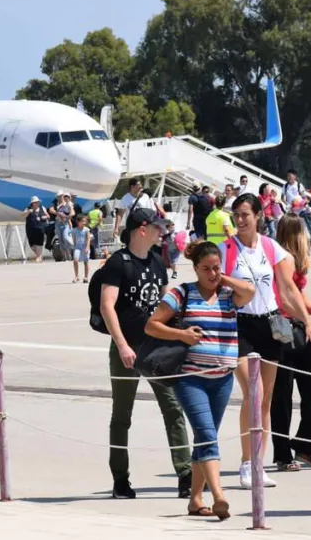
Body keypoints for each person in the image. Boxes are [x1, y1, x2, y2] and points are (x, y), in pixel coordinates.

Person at [144, 240, 255, 519]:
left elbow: (250, 291)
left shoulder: (229, 295)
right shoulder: (183, 293)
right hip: (191, 378)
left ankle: (195, 500)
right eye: (205, 269)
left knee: (205, 439)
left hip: (222, 379)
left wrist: (223, 278)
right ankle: (219, 496)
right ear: (195, 270)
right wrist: (182, 335)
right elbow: (152, 325)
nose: (211, 274)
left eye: (216, 268)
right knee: (206, 435)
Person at [219, 194, 311, 490]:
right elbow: (214, 284)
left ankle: (259, 464)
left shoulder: (270, 247)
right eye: (236, 214)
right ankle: (247, 463)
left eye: (246, 214)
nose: (240, 219)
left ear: (259, 215)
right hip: (241, 326)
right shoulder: (226, 249)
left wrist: (307, 321)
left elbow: (287, 289)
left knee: (266, 400)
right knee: (253, 393)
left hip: (270, 323)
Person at [99, 207, 192, 500]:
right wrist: (123, 345)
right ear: (142, 229)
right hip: (126, 347)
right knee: (122, 415)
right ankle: (120, 479)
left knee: (173, 408)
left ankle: (185, 474)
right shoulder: (118, 262)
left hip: (155, 348)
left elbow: (166, 301)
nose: (161, 232)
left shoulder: (155, 260)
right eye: (156, 227)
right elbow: (107, 306)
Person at [270, 214, 311, 471]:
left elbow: (299, 294)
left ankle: (304, 443)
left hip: (293, 323)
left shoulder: (294, 260)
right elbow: (284, 298)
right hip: (279, 324)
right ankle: (283, 452)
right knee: (282, 392)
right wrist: (307, 321)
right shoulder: (281, 258)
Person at [22, 196, 49, 262]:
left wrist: (44, 217)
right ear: (32, 203)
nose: (37, 203)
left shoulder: (42, 208)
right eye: (36, 202)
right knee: (32, 245)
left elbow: (48, 216)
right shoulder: (28, 208)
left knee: (39, 243)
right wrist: (28, 212)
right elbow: (23, 215)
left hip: (40, 228)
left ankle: (38, 257)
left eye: (38, 202)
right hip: (30, 229)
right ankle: (39, 256)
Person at [70, 214, 92, 283]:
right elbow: (74, 239)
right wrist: (74, 247)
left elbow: (88, 239)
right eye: (82, 221)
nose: (84, 223)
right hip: (77, 247)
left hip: (85, 247)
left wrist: (87, 247)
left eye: (85, 221)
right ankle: (77, 276)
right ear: (78, 222)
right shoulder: (74, 230)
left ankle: (86, 277)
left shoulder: (86, 230)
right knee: (75, 260)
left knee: (86, 262)